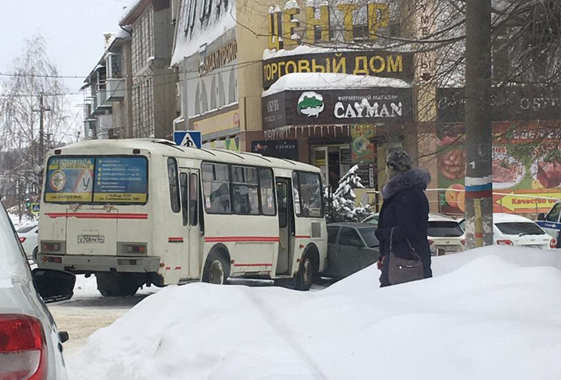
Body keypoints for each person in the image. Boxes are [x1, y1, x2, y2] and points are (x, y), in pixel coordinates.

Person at [375, 150, 432, 287]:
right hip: (400, 258)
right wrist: (384, 254)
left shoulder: (405, 195)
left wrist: (382, 234)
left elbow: (407, 229)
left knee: (399, 302)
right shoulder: (401, 193)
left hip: (406, 261)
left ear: (392, 168)